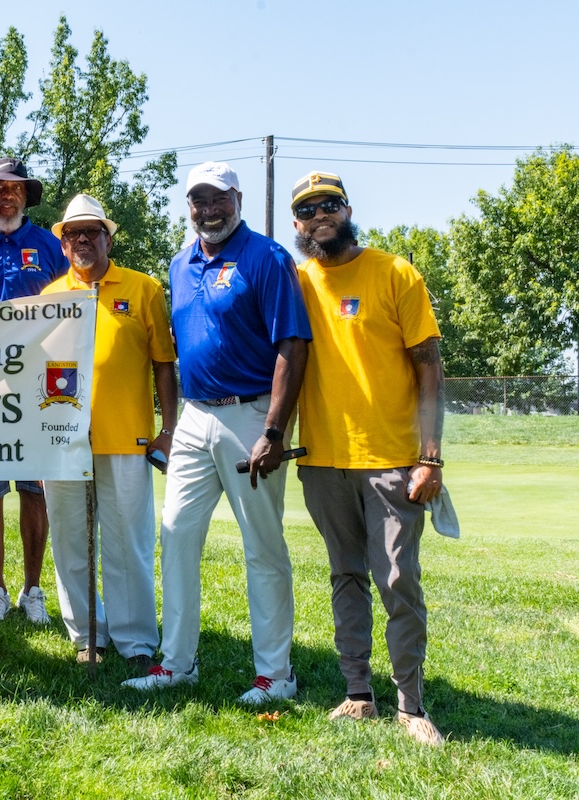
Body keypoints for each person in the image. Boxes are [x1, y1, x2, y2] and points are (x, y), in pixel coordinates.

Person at [124, 162, 311, 703]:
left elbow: (292, 346)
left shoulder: (268, 258)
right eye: (198, 201)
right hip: (195, 415)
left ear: (238, 198)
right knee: (177, 534)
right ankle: (178, 663)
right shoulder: (180, 265)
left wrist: (275, 431)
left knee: (262, 547)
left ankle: (276, 675)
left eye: (218, 199)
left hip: (251, 416)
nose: (208, 210)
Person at [289, 171, 446, 745]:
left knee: (398, 579)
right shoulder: (298, 281)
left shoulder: (394, 272)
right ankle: (358, 694)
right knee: (345, 577)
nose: (319, 215)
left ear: (347, 209)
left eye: (329, 204)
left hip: (392, 461)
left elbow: (429, 366)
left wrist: (430, 457)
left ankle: (412, 706)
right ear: (298, 224)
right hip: (322, 459)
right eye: (307, 209)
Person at [40, 194, 177, 674]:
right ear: (62, 243)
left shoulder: (143, 289)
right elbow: (40, 373)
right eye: (72, 233)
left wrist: (168, 429)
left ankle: (135, 638)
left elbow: (164, 364)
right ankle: (85, 634)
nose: (82, 240)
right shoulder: (49, 297)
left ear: (107, 237)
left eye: (91, 231)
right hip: (63, 442)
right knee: (71, 543)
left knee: (128, 543)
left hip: (128, 438)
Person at [0, 157, 67, 626]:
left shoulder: (50, 245)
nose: (7, 196)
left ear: (26, 196)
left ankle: (32, 589)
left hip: (37, 386)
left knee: (34, 489)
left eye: (16, 189)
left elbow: (71, 311)